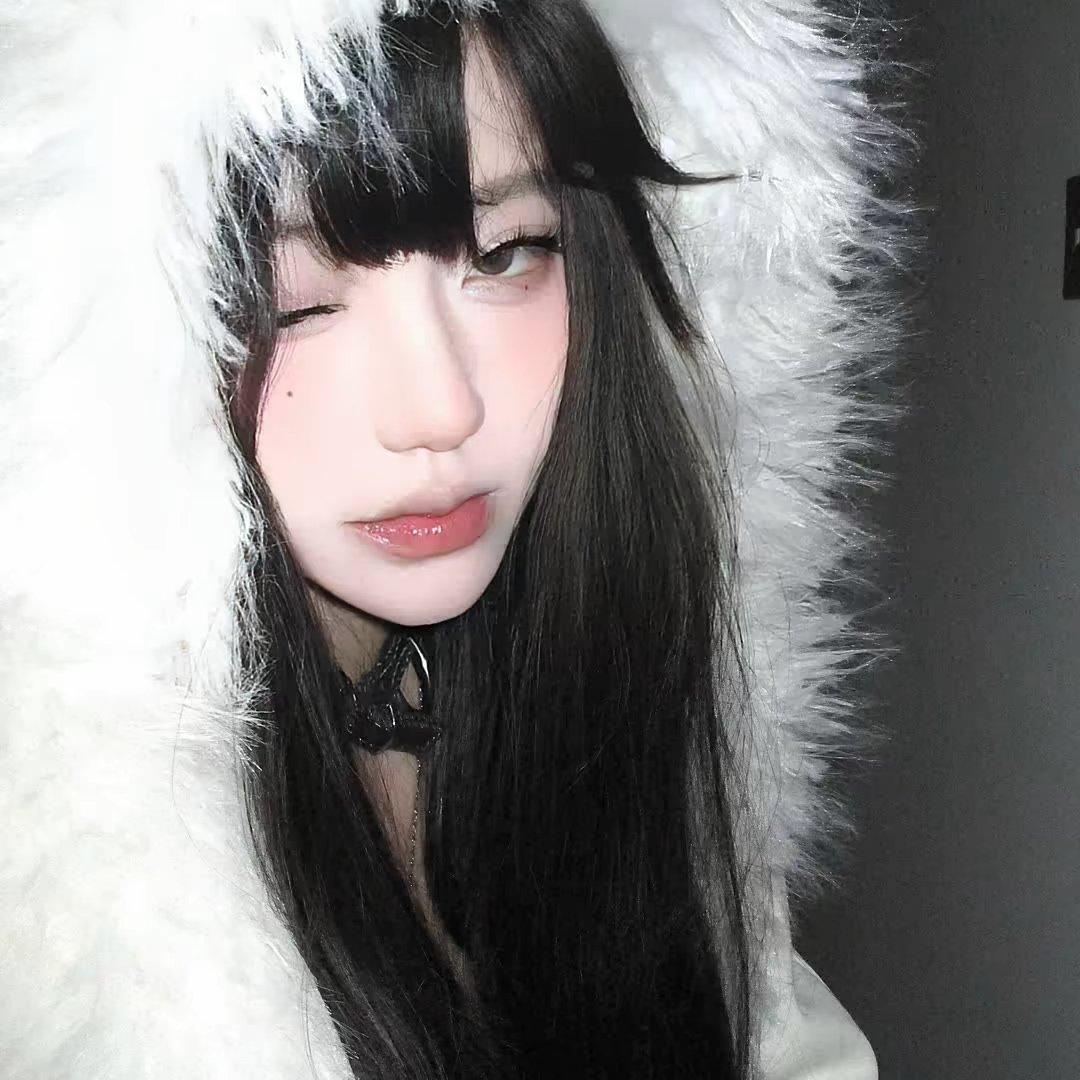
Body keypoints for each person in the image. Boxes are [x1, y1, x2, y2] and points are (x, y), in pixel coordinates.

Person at [0, 1, 906, 1077]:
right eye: (295, 302)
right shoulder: (57, 919)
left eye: (508, 253)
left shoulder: (638, 715)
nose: (442, 410)